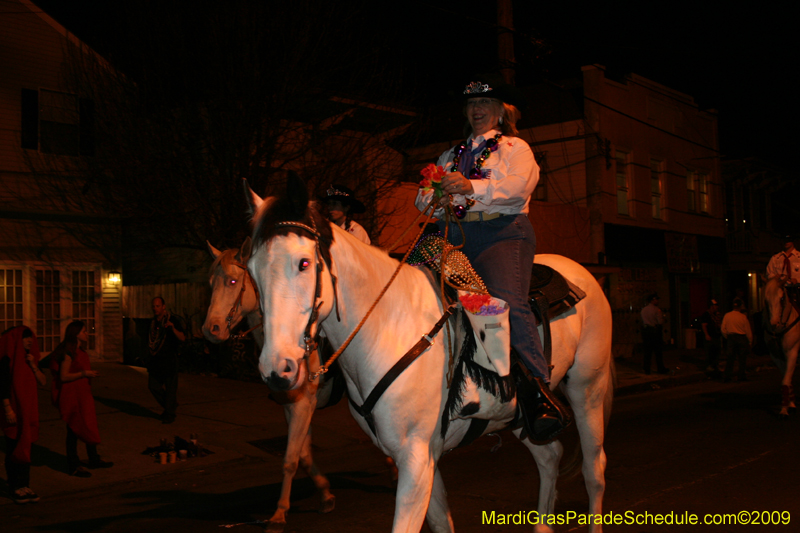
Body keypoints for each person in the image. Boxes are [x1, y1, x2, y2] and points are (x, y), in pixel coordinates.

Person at [414, 75, 570, 443]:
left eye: (485, 104)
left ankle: (538, 392)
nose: (477, 110)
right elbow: (423, 201)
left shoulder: (516, 148)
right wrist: (433, 196)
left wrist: (472, 187)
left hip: (502, 232)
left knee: (506, 301)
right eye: (471, 105)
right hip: (454, 233)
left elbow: (517, 189)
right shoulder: (450, 156)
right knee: (413, 285)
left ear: (501, 111)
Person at [49, 321, 113, 477]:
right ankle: (73, 465)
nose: (87, 333)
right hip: (72, 396)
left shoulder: (79, 351)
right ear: (76, 334)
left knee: (88, 424)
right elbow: (63, 376)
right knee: (73, 429)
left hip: (82, 395)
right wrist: (84, 374)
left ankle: (93, 459)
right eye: (84, 331)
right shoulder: (68, 353)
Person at [1, 326, 46, 504]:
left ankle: (25, 485)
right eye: (25, 338)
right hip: (13, 409)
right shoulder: (7, 359)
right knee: (13, 446)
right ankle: (14, 487)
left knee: (27, 445)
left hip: (29, 410)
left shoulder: (30, 358)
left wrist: (33, 364)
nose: (29, 341)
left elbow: (43, 381)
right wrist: (7, 408)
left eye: (31, 337)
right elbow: (2, 384)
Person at [148, 297, 185, 424]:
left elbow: (182, 337)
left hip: (169, 360)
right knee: (153, 386)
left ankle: (169, 414)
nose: (155, 308)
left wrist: (173, 328)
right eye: (154, 306)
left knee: (170, 389)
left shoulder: (172, 320)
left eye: (157, 306)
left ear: (163, 306)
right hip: (156, 361)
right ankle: (171, 406)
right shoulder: (153, 323)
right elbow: (151, 341)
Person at [721, 298, 752, 382]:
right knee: (742, 359)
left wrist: (727, 337)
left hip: (731, 337)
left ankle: (727, 376)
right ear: (740, 307)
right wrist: (750, 341)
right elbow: (748, 330)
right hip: (741, 338)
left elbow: (723, 329)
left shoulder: (727, 315)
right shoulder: (743, 317)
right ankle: (741, 376)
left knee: (730, 358)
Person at [641, 294, 669, 375]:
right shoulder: (657, 310)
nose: (657, 301)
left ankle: (646, 369)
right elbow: (660, 321)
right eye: (656, 299)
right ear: (652, 300)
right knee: (658, 351)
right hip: (654, 331)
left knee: (647, 351)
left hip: (646, 331)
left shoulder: (644, 310)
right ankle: (660, 368)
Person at [698, 298, 722, 374]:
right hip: (710, 336)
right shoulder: (706, 315)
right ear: (711, 306)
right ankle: (709, 365)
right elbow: (704, 325)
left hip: (716, 335)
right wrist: (706, 334)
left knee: (716, 351)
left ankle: (715, 365)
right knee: (709, 352)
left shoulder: (716, 314)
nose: (717, 307)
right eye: (715, 306)